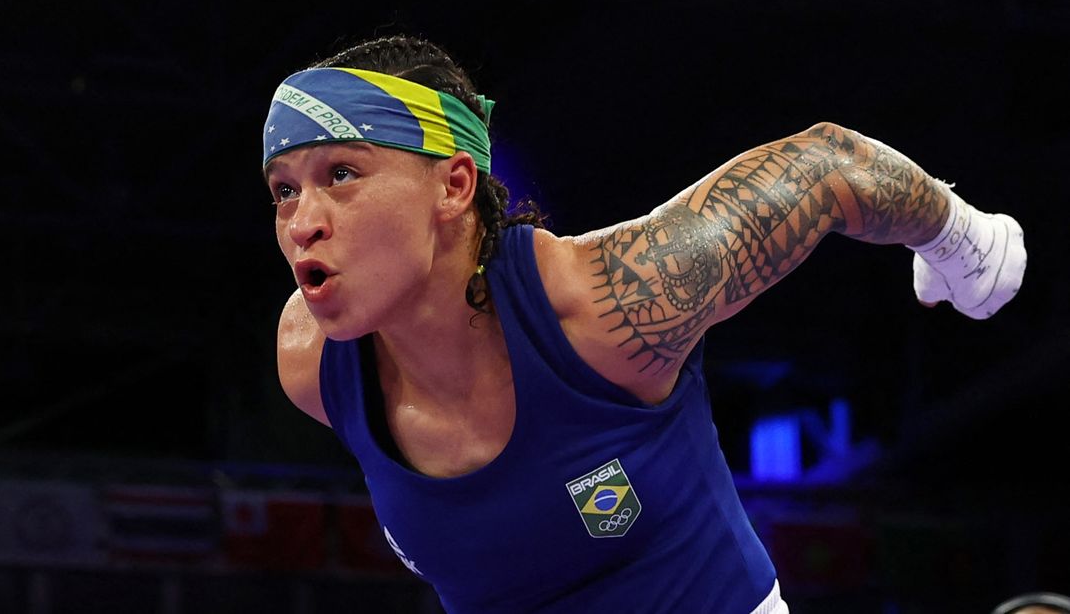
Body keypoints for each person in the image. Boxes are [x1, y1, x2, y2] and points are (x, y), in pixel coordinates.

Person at [262, 35, 1026, 614]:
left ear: (455, 185)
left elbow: (826, 167)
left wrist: (962, 241)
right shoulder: (311, 362)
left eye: (341, 175)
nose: (303, 223)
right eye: (284, 191)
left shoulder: (606, 304)